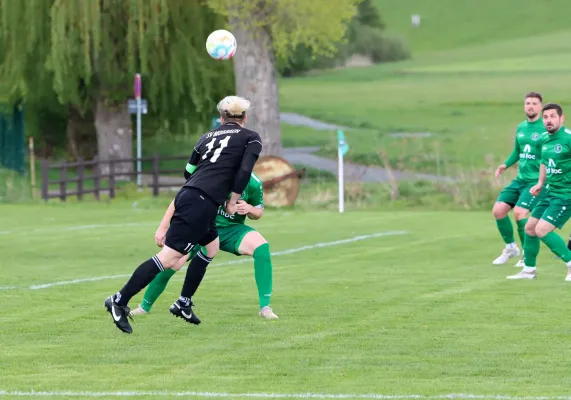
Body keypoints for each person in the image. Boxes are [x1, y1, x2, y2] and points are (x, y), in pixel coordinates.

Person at [104, 96, 262, 333]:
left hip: (194, 196)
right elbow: (245, 170)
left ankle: (183, 302)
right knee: (168, 259)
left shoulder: (206, 137)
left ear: (221, 118)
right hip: (200, 202)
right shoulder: (251, 137)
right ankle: (118, 300)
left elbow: (188, 172)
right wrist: (231, 200)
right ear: (245, 118)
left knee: (211, 247)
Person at [130, 172, 277, 320]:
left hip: (232, 229)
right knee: (171, 262)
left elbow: (258, 212)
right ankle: (144, 307)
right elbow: (181, 197)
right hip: (201, 228)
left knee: (262, 248)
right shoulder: (213, 172)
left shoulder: (254, 182)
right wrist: (163, 227)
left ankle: (265, 308)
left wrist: (250, 209)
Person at [508, 103, 571, 280]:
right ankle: (528, 271)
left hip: (565, 195)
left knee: (542, 230)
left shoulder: (568, 139)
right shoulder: (543, 139)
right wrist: (540, 183)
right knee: (529, 228)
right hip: (549, 192)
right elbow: (544, 162)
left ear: (561, 118)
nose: (548, 120)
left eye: (552, 116)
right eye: (545, 117)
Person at [492, 92, 545, 266]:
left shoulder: (545, 128)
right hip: (520, 180)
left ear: (540, 106)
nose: (530, 106)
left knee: (520, 213)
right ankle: (511, 247)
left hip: (535, 181)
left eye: (534, 103)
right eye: (527, 103)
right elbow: (517, 150)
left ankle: (526, 255)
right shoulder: (521, 127)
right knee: (498, 211)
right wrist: (505, 165)